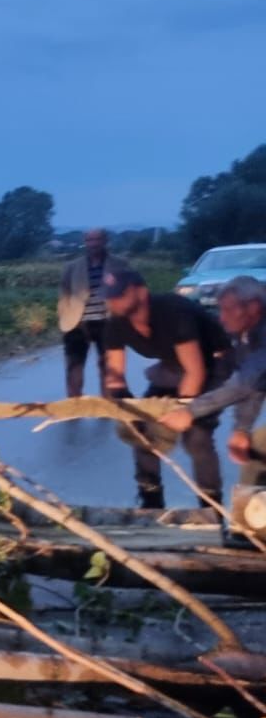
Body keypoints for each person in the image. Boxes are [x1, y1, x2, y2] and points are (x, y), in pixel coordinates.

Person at [101, 267, 233, 510]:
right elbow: (114, 374)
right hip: (173, 365)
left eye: (119, 294)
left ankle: (211, 508)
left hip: (214, 362)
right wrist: (128, 408)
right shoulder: (116, 322)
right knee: (142, 432)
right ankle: (151, 502)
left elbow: (196, 372)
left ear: (141, 292)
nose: (113, 301)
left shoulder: (172, 312)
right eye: (109, 295)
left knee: (197, 436)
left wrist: (184, 411)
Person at [157, 276, 266, 539]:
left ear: (252, 308)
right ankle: (250, 532)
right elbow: (257, 385)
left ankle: (247, 537)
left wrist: (190, 411)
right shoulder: (248, 335)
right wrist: (241, 428)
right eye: (220, 310)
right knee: (255, 449)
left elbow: (245, 382)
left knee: (259, 450)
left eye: (229, 309)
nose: (222, 317)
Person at [57, 228, 130, 397]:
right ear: (85, 242)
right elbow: (64, 293)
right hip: (77, 322)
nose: (94, 244)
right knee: (74, 366)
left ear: (105, 241)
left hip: (108, 321)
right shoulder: (72, 267)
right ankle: (74, 406)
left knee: (108, 366)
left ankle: (107, 404)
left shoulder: (120, 264)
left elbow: (129, 290)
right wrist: (64, 317)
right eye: (90, 240)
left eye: (98, 240)